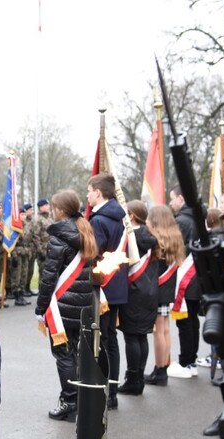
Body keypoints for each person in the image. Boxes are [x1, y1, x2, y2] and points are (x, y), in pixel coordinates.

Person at [34, 191, 97, 421]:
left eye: (54, 206)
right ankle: (79, 398)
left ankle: (69, 402)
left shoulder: (60, 236)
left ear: (60, 209)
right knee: (76, 353)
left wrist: (41, 308)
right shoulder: (85, 230)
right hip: (82, 303)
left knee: (63, 354)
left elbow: (49, 276)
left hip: (61, 305)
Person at [86, 173, 128, 409]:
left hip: (102, 286)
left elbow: (93, 253)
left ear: (98, 192)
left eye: (89, 191)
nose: (88, 196)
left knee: (100, 340)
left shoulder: (99, 220)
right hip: (118, 284)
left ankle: (103, 390)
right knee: (110, 338)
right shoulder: (120, 217)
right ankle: (112, 390)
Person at [116, 201, 158, 396]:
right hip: (149, 291)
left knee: (132, 336)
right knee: (141, 336)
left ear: (131, 216)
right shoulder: (149, 235)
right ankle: (138, 377)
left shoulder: (132, 237)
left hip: (134, 291)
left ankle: (133, 379)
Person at [144, 205, 185, 387]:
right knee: (165, 329)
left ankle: (160, 370)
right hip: (168, 288)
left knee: (158, 331)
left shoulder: (156, 239)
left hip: (158, 287)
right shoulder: (175, 236)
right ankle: (163, 368)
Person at [166, 186, 201, 379]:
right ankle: (191, 360)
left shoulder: (182, 221)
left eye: (172, 198)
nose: (171, 202)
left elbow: (174, 249)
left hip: (185, 278)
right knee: (192, 321)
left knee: (185, 322)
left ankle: (186, 361)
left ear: (181, 198)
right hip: (197, 276)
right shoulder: (198, 218)